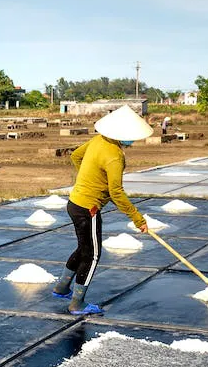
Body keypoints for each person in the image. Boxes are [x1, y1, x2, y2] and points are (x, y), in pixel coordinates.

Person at [51, 105, 153, 315]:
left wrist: (89, 178)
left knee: (83, 248)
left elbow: (76, 157)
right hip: (89, 209)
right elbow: (116, 192)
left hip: (74, 203)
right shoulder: (115, 156)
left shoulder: (98, 140)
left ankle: (61, 288)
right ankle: (77, 304)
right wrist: (137, 218)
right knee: (93, 255)